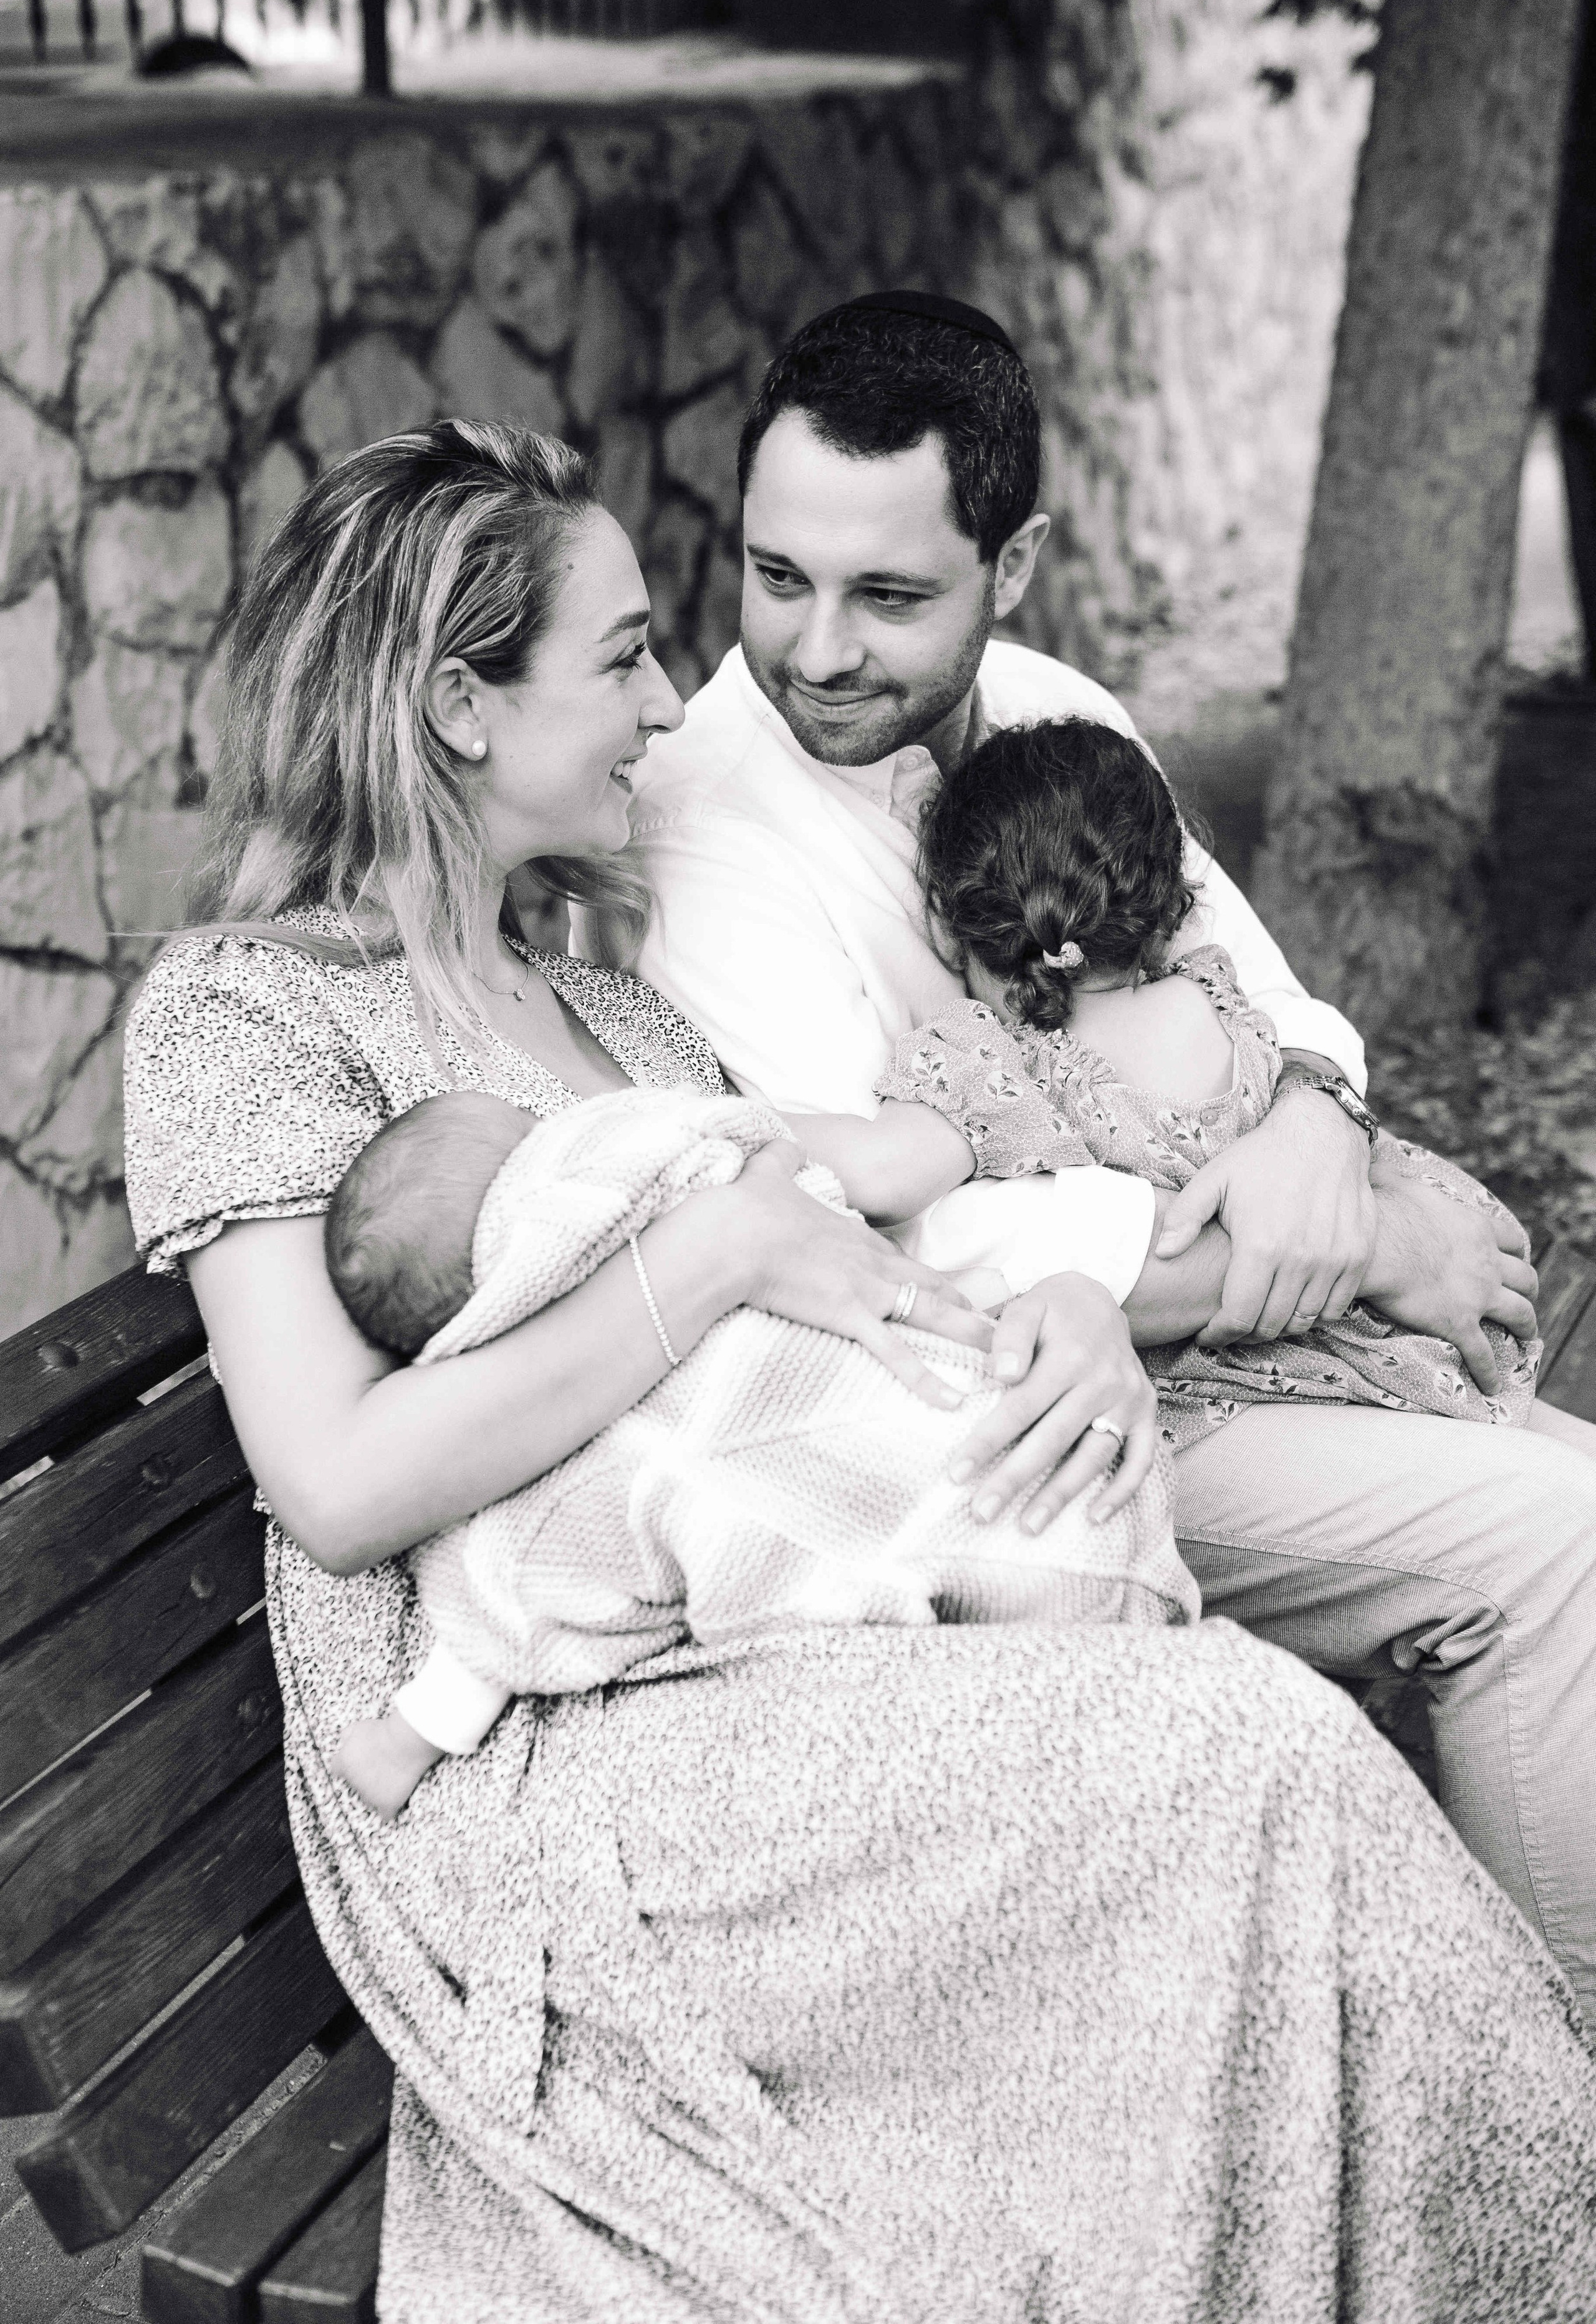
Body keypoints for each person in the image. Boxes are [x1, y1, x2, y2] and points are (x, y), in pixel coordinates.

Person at [123, 419, 1596, 2322]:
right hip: (543, 1739)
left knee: (1233, 1730)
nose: (670, 702)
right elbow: (334, 1478)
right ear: (458, 707)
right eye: (624, 654)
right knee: (1254, 1747)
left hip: (779, 1603)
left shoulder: (603, 1001)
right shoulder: (248, 1012)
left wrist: (1059, 1314)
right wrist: (712, 1244)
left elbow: (866, 1243)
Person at [608, 289, 1596, 2028]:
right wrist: (1365, 1248)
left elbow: (1274, 1004)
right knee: (1558, 1544)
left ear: (1020, 561)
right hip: (1026, 1437)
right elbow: (916, 1253)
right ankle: (1551, 2106)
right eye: (778, 579)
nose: (818, 650)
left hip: (1234, 1353)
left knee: (1566, 1483)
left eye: (890, 595)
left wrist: (1321, 1130)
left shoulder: (1058, 708)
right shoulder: (709, 821)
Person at [324, 1082, 1191, 1820]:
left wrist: (405, 1741)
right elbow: (778, 1176)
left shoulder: (592, 1459)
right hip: (1043, 1509)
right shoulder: (605, 1368)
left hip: (968, 1583)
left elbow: (509, 1599)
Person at [793, 712, 1552, 1449]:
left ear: (949, 923)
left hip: (1251, 1389)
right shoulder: (1216, 995)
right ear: (1168, 905)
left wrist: (708, 1111)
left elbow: (884, 1175)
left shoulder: (989, 1063)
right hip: (1410, 1344)